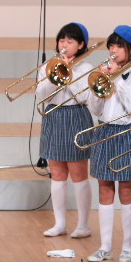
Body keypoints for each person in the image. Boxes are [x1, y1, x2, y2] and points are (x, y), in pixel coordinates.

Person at [86, 25, 131, 262]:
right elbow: (96, 109)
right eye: (111, 45)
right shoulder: (105, 71)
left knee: (126, 191)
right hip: (104, 130)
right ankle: (105, 247)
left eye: (119, 46)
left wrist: (117, 80)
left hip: (127, 132)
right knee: (104, 189)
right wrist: (96, 88)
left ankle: (128, 248)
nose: (113, 50)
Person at [37, 22, 94, 239]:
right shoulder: (48, 65)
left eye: (70, 41)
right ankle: (59, 223)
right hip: (54, 115)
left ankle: (83, 225)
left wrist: (68, 74)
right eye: (62, 40)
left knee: (78, 173)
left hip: (76, 115)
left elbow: (84, 97)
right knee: (57, 172)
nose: (64, 44)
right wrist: (56, 74)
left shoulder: (86, 69)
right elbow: (41, 95)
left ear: (81, 45)